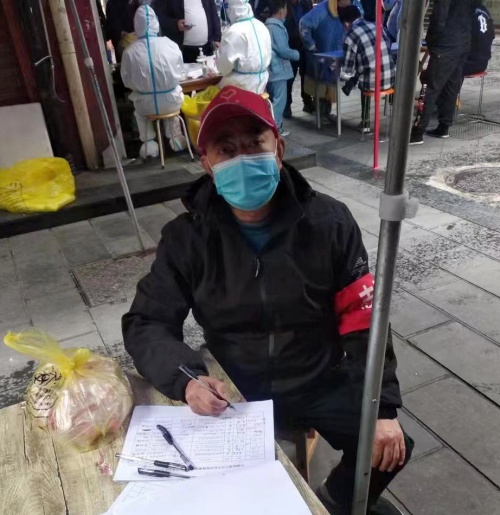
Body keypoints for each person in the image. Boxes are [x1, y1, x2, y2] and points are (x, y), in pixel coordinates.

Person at [123, 85, 413, 515]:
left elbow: (363, 316)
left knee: (392, 446)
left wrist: (382, 405)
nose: (242, 159)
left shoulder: (329, 222)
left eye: (254, 143)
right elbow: (147, 321)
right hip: (236, 390)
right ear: (207, 164)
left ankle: (332, 501)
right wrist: (187, 379)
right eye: (226, 149)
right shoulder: (188, 238)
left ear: (278, 150)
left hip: (319, 378)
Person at [121, 5, 187, 159]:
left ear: (136, 24)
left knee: (140, 113)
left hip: (145, 104)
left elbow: (126, 80)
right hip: (171, 101)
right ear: (156, 22)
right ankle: (176, 139)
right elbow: (180, 72)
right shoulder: (170, 45)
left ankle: (149, 145)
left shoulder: (129, 51)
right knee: (173, 108)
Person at [409, 0, 475, 145]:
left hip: (445, 44)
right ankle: (444, 126)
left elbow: (438, 17)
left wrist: (432, 41)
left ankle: (418, 131)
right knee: (451, 86)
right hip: (463, 42)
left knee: (431, 87)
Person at [339, 6, 396, 133]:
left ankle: (365, 122)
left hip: (372, 83)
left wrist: (342, 75)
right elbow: (388, 47)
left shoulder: (351, 35)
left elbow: (347, 71)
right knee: (366, 70)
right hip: (391, 79)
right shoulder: (377, 26)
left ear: (346, 23)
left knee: (363, 78)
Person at [299, 0, 347, 122]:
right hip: (319, 56)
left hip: (334, 56)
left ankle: (326, 113)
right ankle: (320, 114)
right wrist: (311, 46)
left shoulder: (343, 10)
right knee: (320, 85)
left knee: (330, 85)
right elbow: (303, 24)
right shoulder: (321, 10)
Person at [216, 0, 272, 94]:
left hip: (241, 87)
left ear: (230, 9)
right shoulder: (262, 26)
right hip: (262, 85)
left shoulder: (234, 32)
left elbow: (223, 68)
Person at [266, 0, 300, 136]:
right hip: (278, 70)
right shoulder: (277, 27)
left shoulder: (267, 26)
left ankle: (271, 127)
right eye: (286, 9)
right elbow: (283, 49)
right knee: (279, 101)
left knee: (272, 101)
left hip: (271, 69)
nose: (287, 11)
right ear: (281, 11)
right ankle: (275, 128)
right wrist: (296, 54)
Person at [155, 0, 221, 63]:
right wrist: (175, 24)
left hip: (207, 48)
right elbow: (159, 18)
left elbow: (213, 14)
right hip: (182, 50)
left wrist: (217, 38)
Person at [284, 0, 314, 117]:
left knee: (305, 75)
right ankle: (287, 106)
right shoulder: (284, 4)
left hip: (304, 45)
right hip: (289, 45)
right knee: (289, 77)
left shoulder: (306, 3)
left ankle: (307, 101)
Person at [462, 1, 495, 76]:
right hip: (483, 64)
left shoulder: (465, 10)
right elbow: (492, 35)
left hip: (467, 64)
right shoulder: (484, 10)